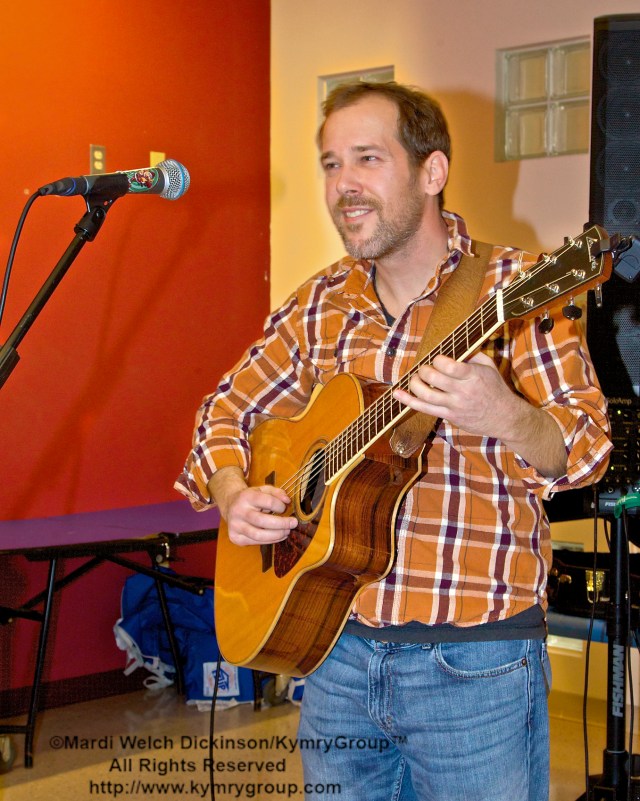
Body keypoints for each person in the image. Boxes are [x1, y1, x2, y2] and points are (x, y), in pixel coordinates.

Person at [175, 81, 612, 801]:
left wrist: (506, 413)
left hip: (473, 666)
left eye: (368, 158)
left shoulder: (518, 286)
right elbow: (225, 412)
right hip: (333, 653)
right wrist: (232, 491)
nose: (343, 184)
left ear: (431, 171)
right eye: (329, 164)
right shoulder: (322, 303)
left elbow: (587, 449)